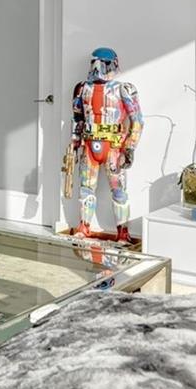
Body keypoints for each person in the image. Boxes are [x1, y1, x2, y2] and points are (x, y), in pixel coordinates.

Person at [66, 46, 143, 242]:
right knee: (86, 189)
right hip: (89, 145)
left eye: (103, 63)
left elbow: (137, 121)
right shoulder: (82, 88)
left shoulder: (124, 89)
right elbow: (77, 118)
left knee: (119, 191)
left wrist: (129, 147)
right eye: (95, 63)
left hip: (114, 148)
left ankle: (123, 233)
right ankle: (84, 227)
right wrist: (74, 143)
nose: (98, 67)